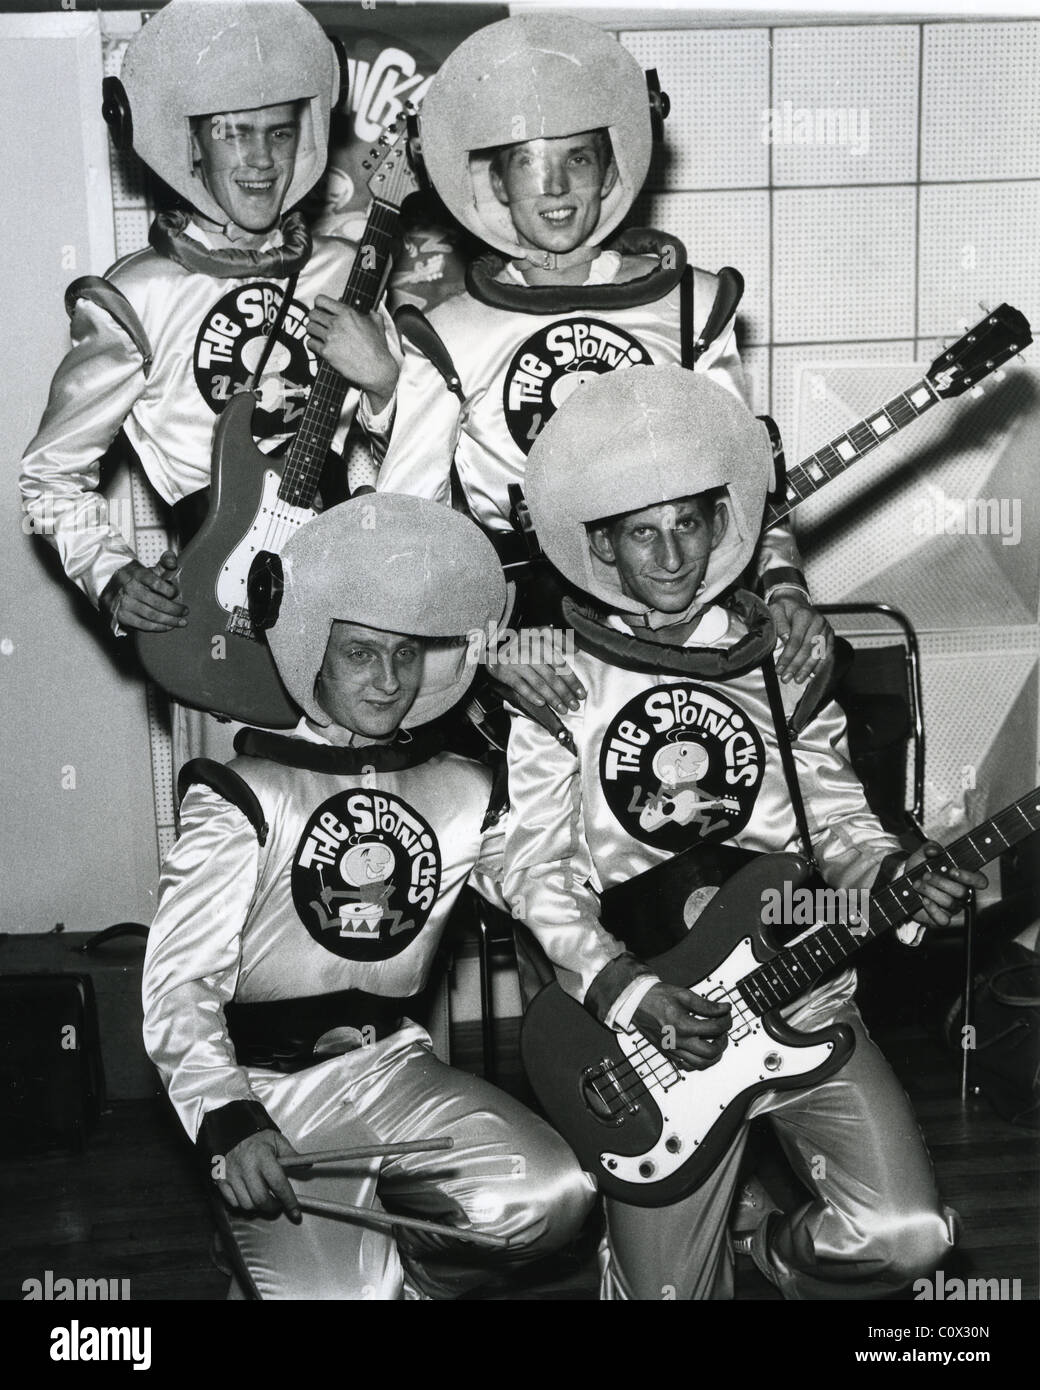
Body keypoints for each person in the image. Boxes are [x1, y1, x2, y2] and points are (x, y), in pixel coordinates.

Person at [501, 365, 986, 1300]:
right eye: (643, 533)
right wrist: (626, 991)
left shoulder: (784, 655)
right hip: (648, 1014)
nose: (673, 556)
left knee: (908, 1237)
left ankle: (771, 1254)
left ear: (725, 524)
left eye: (690, 522)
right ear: (603, 547)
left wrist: (895, 871)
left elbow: (840, 820)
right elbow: (531, 867)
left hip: (798, 987)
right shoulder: (560, 676)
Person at [141, 492, 595, 1300]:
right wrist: (229, 1121)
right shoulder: (241, 793)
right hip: (268, 1095)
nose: (388, 680)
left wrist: (541, 722)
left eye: (406, 653)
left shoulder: (457, 786)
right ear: (314, 652)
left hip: (391, 1068)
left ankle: (409, 1281)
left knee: (552, 1199)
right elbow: (178, 986)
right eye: (360, 654)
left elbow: (545, 879)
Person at [351, 15, 830, 708]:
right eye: (527, 162)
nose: (554, 187)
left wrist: (784, 583)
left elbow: (745, 479)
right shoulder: (450, 334)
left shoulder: (688, 307)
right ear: (495, 181)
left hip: (687, 609)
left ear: (610, 170)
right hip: (532, 635)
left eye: (577, 158)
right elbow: (413, 527)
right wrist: (484, 647)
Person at [19, 0, 399, 762]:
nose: (260, 159)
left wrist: (388, 388)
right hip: (221, 631)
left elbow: (415, 460)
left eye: (279, 132)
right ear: (189, 145)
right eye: (233, 132)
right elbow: (47, 479)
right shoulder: (141, 295)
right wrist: (113, 573)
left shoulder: (345, 271)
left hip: (357, 622)